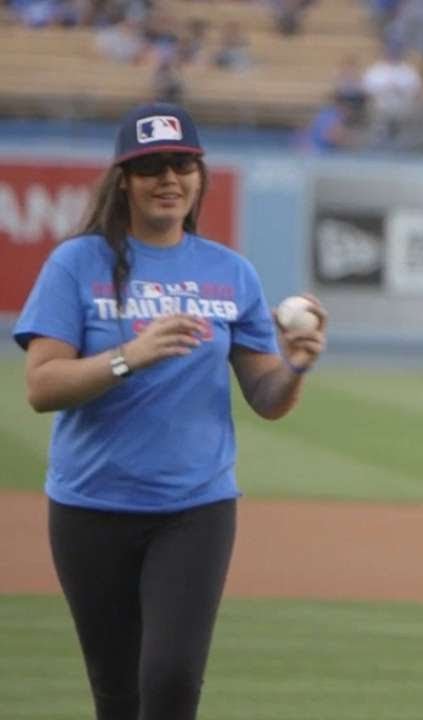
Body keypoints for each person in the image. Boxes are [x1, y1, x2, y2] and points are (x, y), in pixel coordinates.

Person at [12, 102, 327, 720]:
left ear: (199, 176)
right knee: (117, 694)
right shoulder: (77, 263)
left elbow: (266, 399)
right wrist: (132, 355)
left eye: (183, 164)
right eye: (150, 165)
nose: (169, 178)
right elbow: (41, 386)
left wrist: (293, 366)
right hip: (90, 507)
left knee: (172, 680)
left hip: (193, 509)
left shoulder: (229, 272)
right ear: (123, 180)